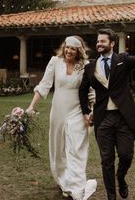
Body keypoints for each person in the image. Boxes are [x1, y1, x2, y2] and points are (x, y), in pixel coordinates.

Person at [79, 28, 135, 200]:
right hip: (103, 119)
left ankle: (121, 178)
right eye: (98, 41)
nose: (99, 44)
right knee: (107, 161)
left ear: (112, 43)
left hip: (123, 118)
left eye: (103, 41)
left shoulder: (123, 60)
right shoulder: (90, 66)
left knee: (126, 155)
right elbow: (82, 90)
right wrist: (85, 112)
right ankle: (111, 197)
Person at [26, 35, 96, 200]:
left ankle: (77, 187)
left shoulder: (85, 66)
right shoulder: (55, 62)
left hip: (78, 112)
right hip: (58, 112)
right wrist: (31, 107)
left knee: (77, 149)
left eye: (72, 48)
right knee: (58, 150)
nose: (69, 51)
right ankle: (65, 183)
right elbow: (44, 85)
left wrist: (91, 112)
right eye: (67, 47)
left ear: (79, 50)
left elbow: (91, 92)